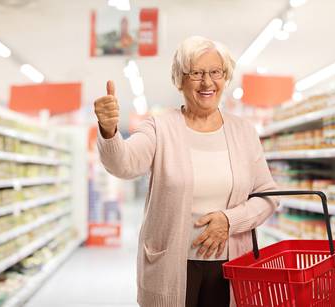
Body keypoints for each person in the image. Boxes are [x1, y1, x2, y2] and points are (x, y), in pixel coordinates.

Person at [94, 36, 278, 307]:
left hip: (231, 266)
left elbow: (268, 196)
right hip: (171, 266)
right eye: (196, 73)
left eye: (216, 72)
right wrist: (109, 131)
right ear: (180, 79)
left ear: (225, 78)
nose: (207, 82)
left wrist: (230, 220)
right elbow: (124, 163)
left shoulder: (244, 132)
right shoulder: (159, 127)